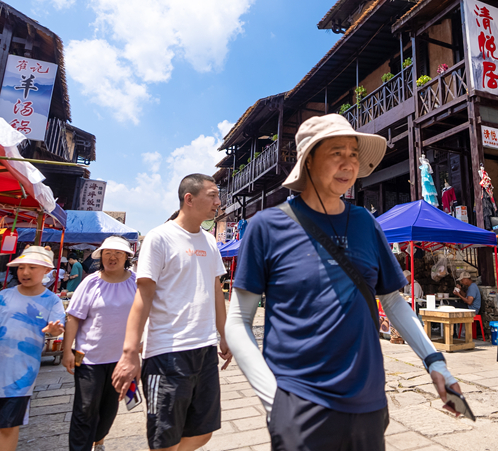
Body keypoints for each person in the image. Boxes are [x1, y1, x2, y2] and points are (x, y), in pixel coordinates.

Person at [226, 114, 462, 451]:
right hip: (299, 403)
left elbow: (392, 300)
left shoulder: (366, 223)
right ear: (308, 161)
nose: (349, 163)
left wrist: (435, 362)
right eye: (336, 152)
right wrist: (273, 400)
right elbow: (238, 321)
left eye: (353, 154)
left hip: (368, 402)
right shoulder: (267, 227)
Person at [111, 174, 232, 451]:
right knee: (165, 438)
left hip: (204, 349)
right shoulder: (160, 237)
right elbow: (143, 296)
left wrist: (224, 334)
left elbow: (216, 290)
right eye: (212, 195)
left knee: (203, 431)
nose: (218, 202)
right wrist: (130, 353)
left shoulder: (209, 241)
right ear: (189, 199)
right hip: (167, 352)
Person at [0, 246, 65, 451]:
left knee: (8, 427)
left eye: (32, 267)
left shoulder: (53, 301)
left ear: (46, 270)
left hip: (20, 373)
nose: (25, 272)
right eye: (21, 267)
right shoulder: (4, 296)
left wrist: (54, 330)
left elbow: (56, 329)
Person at [63, 236, 138, 451]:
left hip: (121, 359)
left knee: (109, 409)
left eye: (118, 253)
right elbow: (74, 317)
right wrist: (67, 351)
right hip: (86, 356)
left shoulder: (135, 282)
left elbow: (145, 315)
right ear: (101, 256)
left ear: (126, 257)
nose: (112, 257)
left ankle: (99, 440)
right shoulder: (90, 282)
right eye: (108, 253)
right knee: (85, 407)